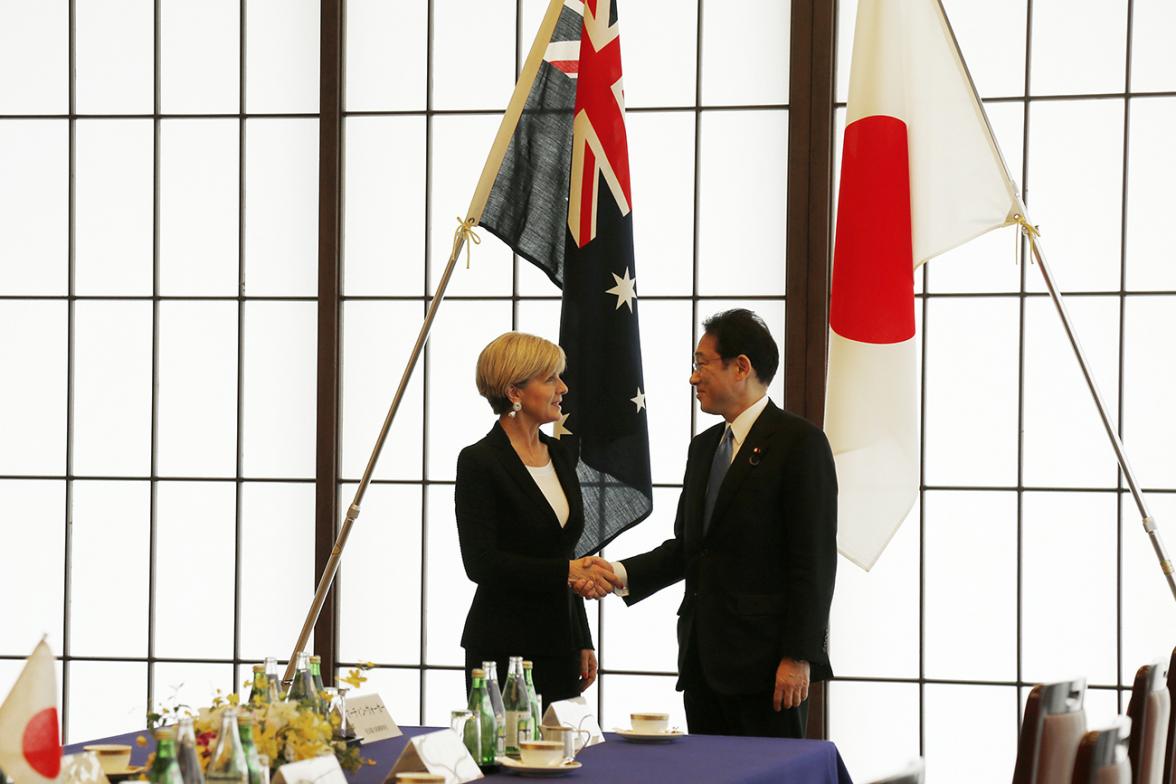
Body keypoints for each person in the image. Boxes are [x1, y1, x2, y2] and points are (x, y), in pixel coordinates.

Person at [577, 309, 837, 738]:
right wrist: (617, 573)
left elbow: (814, 561)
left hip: (768, 670)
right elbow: (689, 548)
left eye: (701, 364)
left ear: (741, 367)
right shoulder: (704, 449)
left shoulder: (800, 443)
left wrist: (799, 656)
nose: (693, 378)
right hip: (702, 665)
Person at [456, 332, 621, 707]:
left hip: (560, 643)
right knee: (508, 759)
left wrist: (582, 638)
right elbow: (481, 563)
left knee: (565, 758)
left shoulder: (561, 454)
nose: (563, 388)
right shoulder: (479, 462)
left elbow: (565, 553)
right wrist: (567, 571)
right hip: (501, 648)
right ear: (514, 391)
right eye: (550, 379)